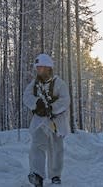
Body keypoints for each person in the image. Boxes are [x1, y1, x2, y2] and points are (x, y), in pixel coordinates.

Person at [23, 54, 70, 187]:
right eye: (37, 68)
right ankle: (37, 175)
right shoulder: (34, 84)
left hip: (56, 122)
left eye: (41, 67)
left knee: (56, 149)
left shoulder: (59, 83)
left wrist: (51, 108)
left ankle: (55, 175)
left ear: (49, 68)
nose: (39, 70)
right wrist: (36, 103)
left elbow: (65, 100)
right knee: (37, 146)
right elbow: (26, 97)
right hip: (40, 122)